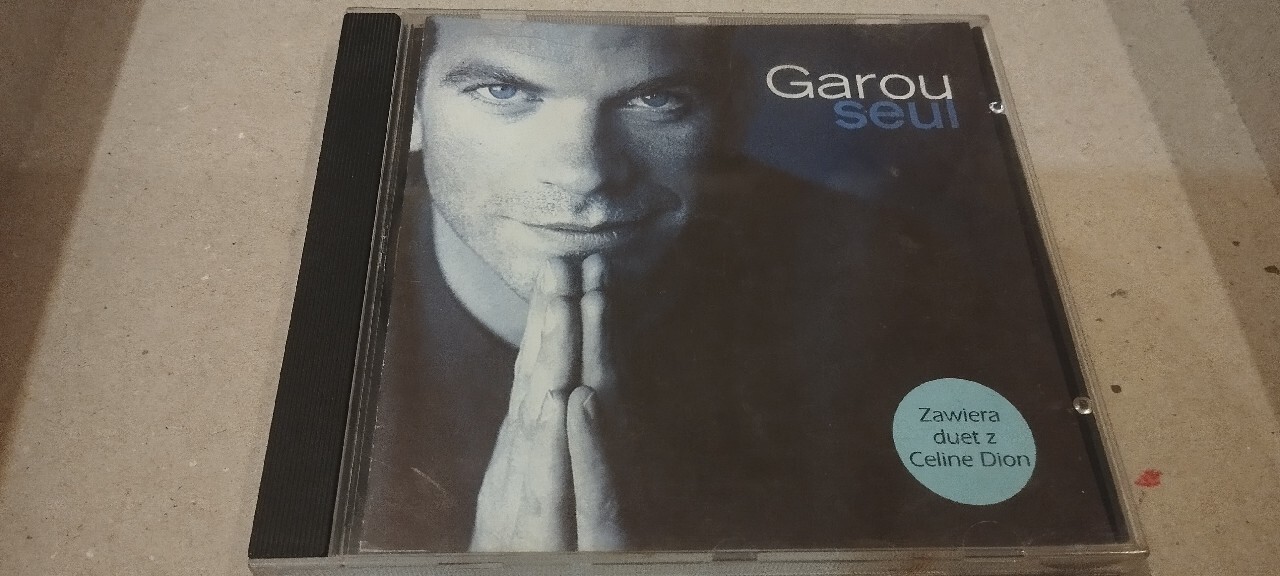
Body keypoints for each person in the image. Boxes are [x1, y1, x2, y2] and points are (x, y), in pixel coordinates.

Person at [357, 16, 1119, 554]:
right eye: (503, 92)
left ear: (734, 110)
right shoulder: (336, 327)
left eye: (656, 100)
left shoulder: (896, 275)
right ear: (409, 107)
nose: (586, 171)